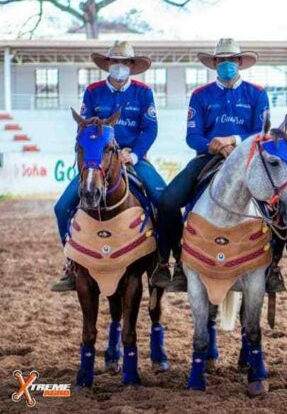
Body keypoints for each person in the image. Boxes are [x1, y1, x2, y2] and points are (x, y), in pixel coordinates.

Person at [151, 39, 269, 291]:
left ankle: (275, 266)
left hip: (247, 158)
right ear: (215, 63)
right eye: (221, 60)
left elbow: (261, 131)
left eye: (232, 59)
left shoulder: (257, 93)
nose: (227, 64)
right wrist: (213, 145)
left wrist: (233, 140)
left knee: (277, 202)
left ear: (240, 62)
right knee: (167, 202)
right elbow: (192, 136)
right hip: (208, 158)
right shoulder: (200, 95)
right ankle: (172, 260)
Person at [51, 41, 165, 292]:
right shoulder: (92, 91)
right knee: (61, 208)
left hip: (133, 158)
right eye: (116, 62)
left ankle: (162, 260)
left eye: (125, 62)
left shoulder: (143, 92)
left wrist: (133, 154)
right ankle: (71, 263)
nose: (120, 66)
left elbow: (150, 128)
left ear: (131, 66)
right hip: (98, 160)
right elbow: (84, 127)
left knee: (161, 198)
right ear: (108, 65)